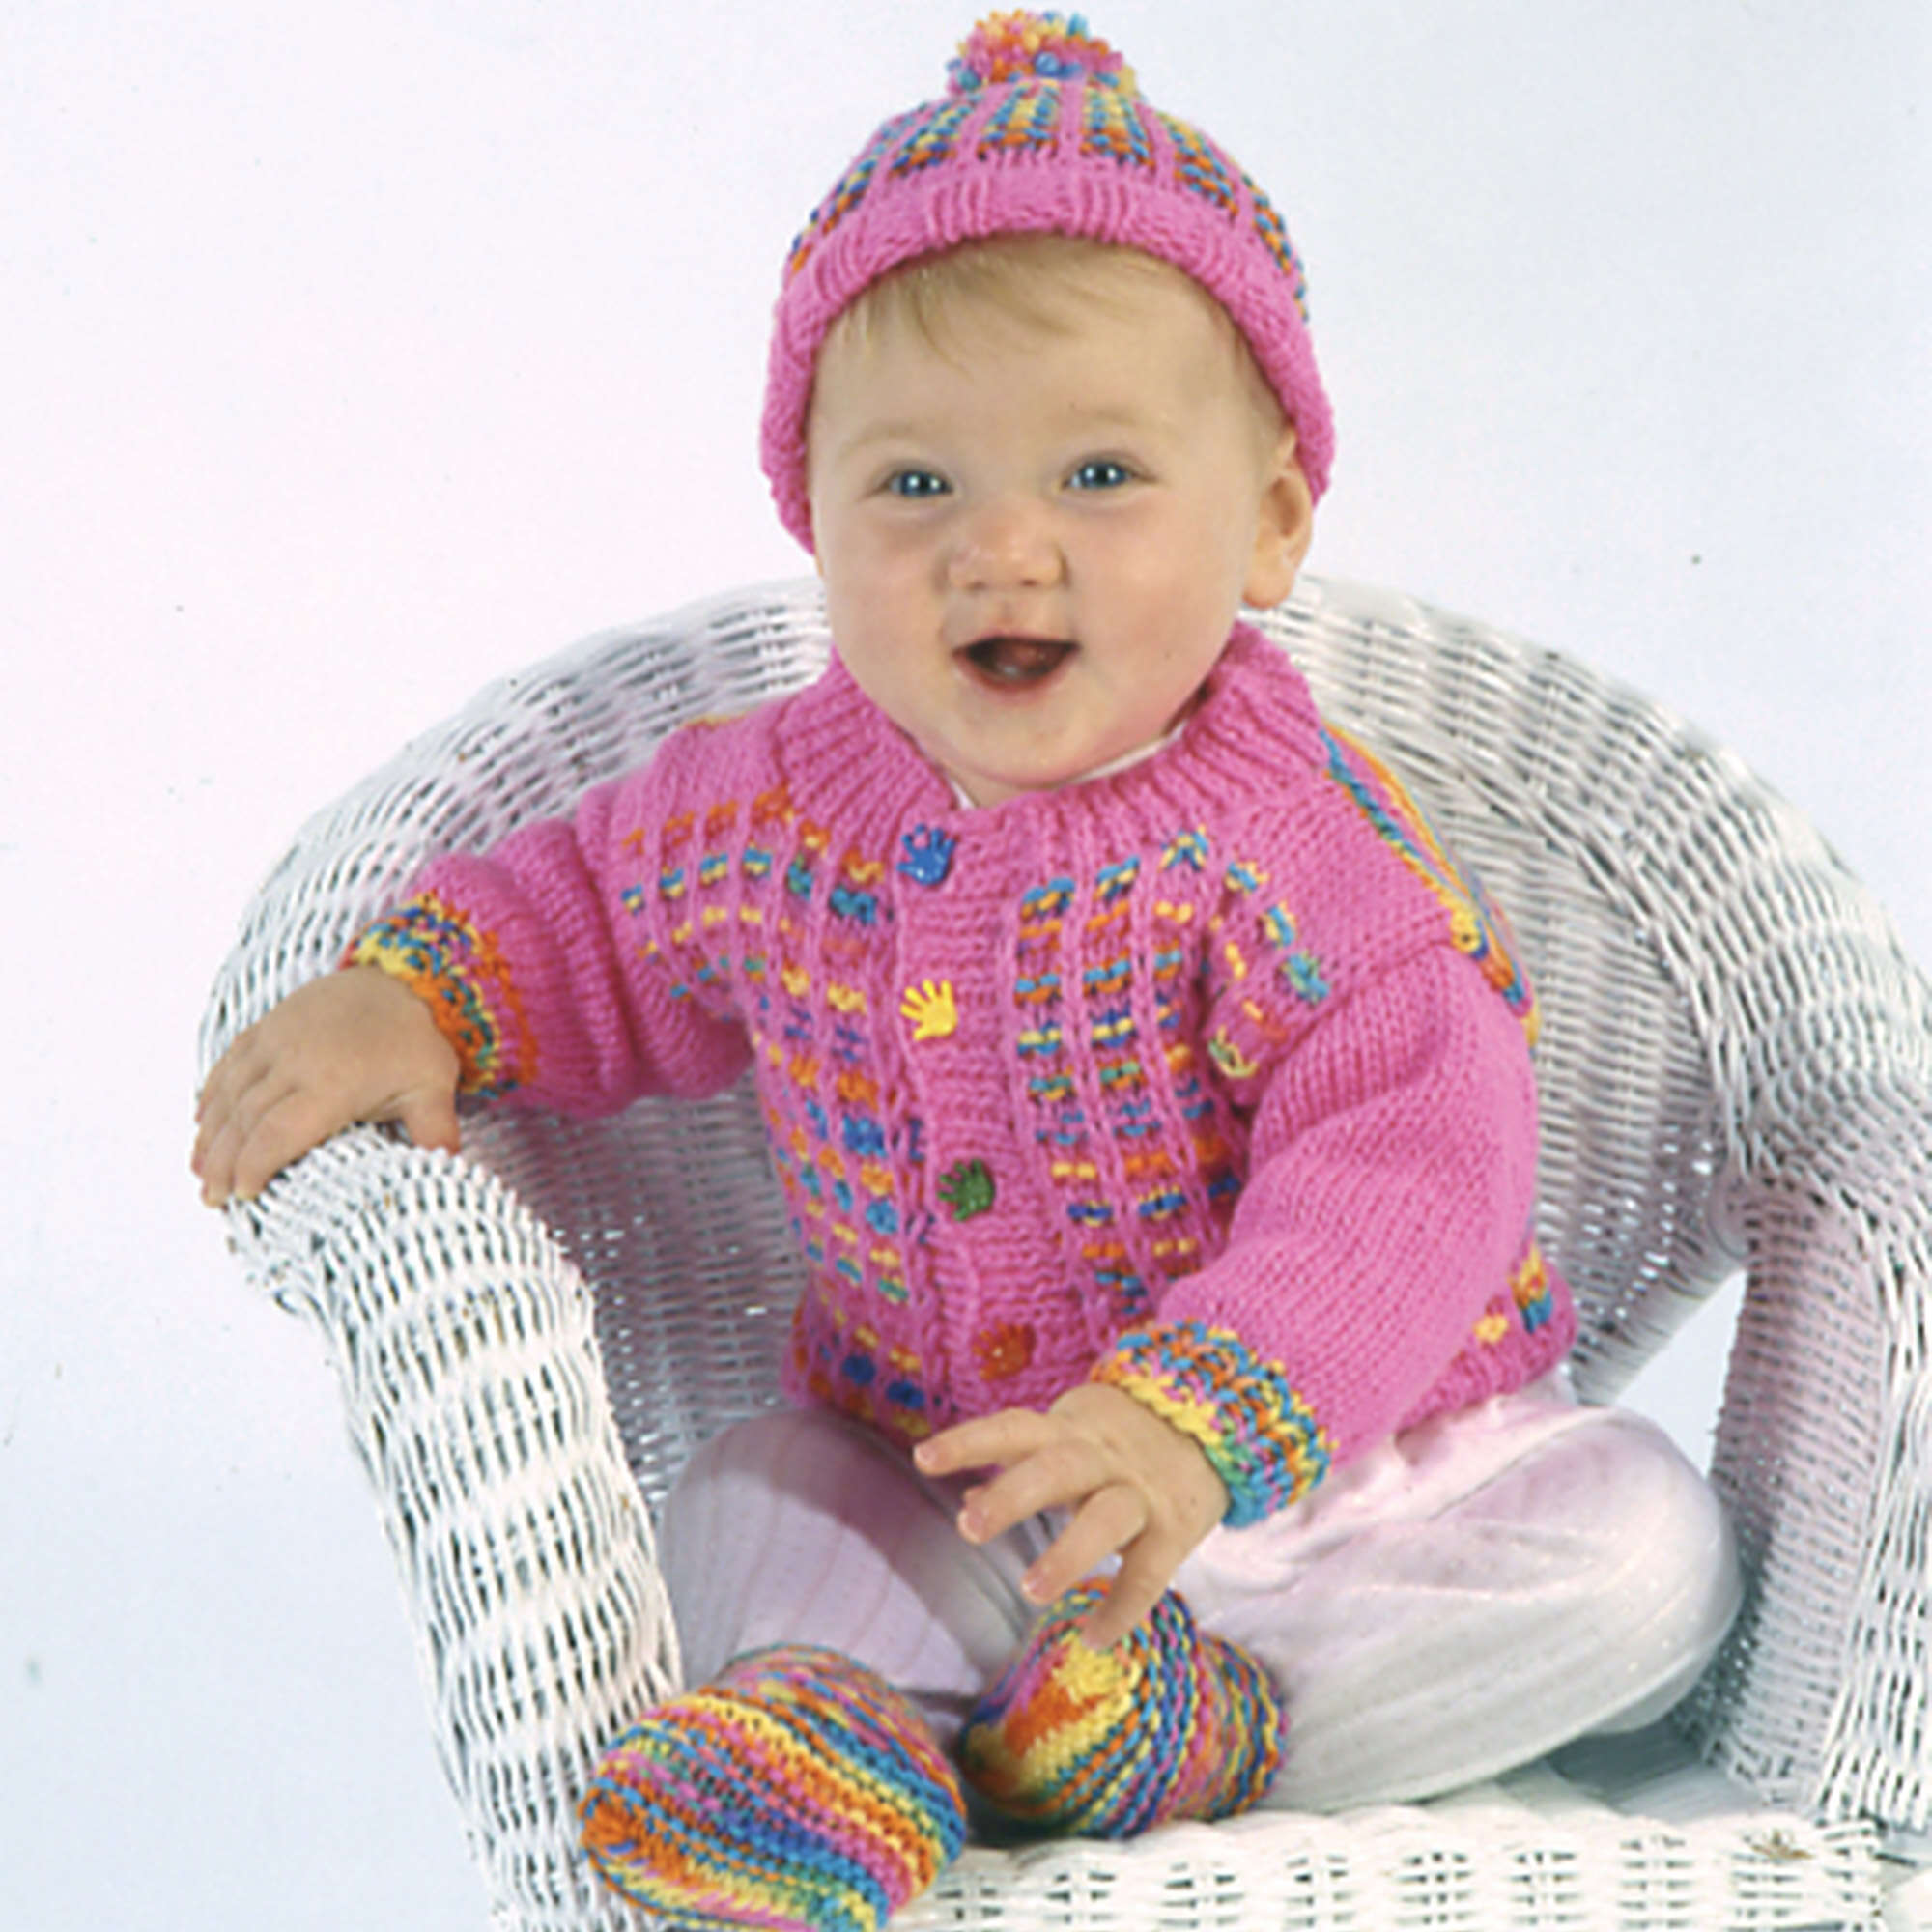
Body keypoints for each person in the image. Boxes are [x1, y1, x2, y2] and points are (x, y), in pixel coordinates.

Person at [193, 13, 1741, 1930]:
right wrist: (426, 993)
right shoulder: (769, 809)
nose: (1002, 550)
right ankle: (853, 1719)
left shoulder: (1299, 848)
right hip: (948, 1497)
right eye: (915, 488)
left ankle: (1181, 1734)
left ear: (1268, 523)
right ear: (812, 515)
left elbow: (1417, 1152)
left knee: (1641, 1562)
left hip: (1318, 1494)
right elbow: (585, 916)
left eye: (1098, 473)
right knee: (749, 1492)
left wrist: (1196, 1418)